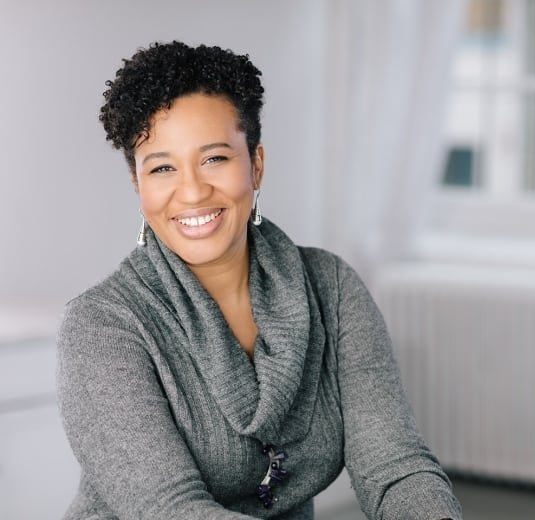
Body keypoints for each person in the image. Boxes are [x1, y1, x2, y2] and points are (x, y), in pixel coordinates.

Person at [56, 41, 462, 520]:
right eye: (162, 167)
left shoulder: (331, 289)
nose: (191, 191)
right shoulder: (101, 327)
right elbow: (169, 510)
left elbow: (396, 468)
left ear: (257, 165)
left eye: (215, 159)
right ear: (138, 185)